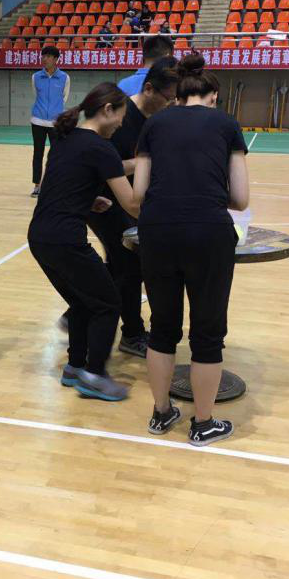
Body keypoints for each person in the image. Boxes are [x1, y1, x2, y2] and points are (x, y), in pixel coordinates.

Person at [132, 53, 250, 443]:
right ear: (212, 95)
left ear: (179, 93)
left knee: (162, 328)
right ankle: (202, 423)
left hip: (157, 232)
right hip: (208, 233)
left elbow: (139, 192)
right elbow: (241, 198)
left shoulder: (154, 124)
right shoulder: (227, 124)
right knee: (207, 332)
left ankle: (161, 413)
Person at [28, 83, 139, 401]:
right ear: (107, 110)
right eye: (120, 118)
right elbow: (132, 204)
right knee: (108, 303)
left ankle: (75, 367)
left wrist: (87, 201)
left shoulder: (66, 139)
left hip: (40, 237)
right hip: (65, 240)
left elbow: (61, 186)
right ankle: (94, 375)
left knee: (82, 302)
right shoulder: (101, 148)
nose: (120, 125)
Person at [85, 58, 180, 358]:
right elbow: (108, 165)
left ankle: (82, 310)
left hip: (128, 198)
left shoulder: (157, 118)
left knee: (120, 263)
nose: (170, 105)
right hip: (102, 201)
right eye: (168, 99)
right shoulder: (121, 116)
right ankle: (132, 333)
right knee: (129, 263)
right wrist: (143, 163)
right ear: (149, 89)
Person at [30, 46, 70, 197]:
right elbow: (36, 95)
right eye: (43, 56)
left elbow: (64, 98)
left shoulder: (65, 78)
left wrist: (55, 112)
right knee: (37, 154)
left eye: (48, 56)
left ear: (55, 59)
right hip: (37, 121)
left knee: (57, 155)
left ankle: (56, 185)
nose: (44, 59)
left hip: (55, 123)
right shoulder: (35, 77)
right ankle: (37, 185)